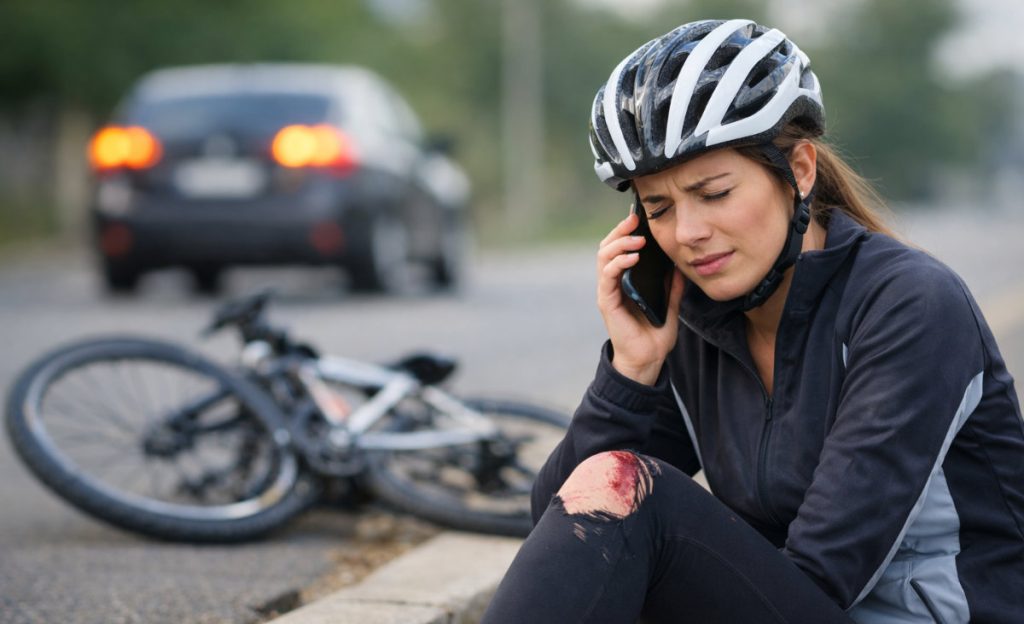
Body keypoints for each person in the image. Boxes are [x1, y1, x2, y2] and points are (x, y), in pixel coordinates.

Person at [481, 18, 1024, 624]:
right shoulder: (697, 325)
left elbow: (823, 573)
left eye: (713, 194)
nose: (687, 233)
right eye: (658, 207)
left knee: (635, 491)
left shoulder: (910, 305)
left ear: (799, 170)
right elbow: (565, 536)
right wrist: (632, 371)